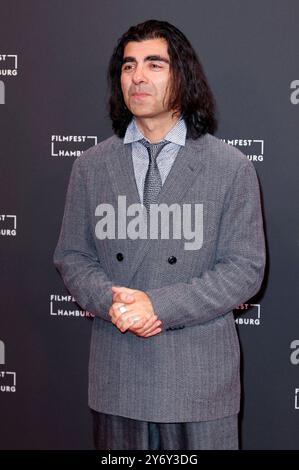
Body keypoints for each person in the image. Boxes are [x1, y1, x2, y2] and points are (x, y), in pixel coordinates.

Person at [53, 19, 266, 450]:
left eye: (155, 64)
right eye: (129, 65)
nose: (138, 76)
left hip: (199, 379)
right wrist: (113, 303)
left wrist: (158, 306)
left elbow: (244, 270)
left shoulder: (230, 167)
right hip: (118, 375)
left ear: (181, 76)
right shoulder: (91, 166)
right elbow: (73, 256)